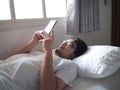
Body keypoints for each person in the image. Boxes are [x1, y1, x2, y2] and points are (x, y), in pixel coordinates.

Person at [0, 30, 87, 90]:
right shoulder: (44, 54)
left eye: (70, 44)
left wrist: (47, 50)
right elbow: (14, 58)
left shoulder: (68, 65)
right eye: (65, 41)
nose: (64, 43)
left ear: (73, 55)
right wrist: (34, 41)